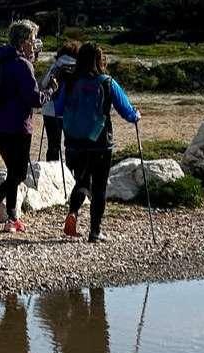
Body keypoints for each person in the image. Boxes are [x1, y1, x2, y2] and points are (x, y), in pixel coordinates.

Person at [55, 42, 141, 243]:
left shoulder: (69, 82)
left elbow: (58, 110)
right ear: (100, 60)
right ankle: (95, 232)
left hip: (74, 142)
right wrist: (136, 115)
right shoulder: (107, 82)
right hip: (100, 143)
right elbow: (126, 111)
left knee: (82, 180)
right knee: (99, 187)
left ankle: (73, 212)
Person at [0, 20, 42, 233]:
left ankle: (12, 219)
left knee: (12, 172)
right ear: (24, 42)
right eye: (33, 40)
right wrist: (51, 90)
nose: (34, 45)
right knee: (19, 174)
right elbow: (34, 99)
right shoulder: (23, 64)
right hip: (18, 125)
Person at [36, 41, 78, 163]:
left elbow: (43, 84)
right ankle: (71, 173)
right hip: (69, 110)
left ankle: (52, 170)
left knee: (53, 145)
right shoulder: (78, 66)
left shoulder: (56, 66)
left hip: (50, 111)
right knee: (71, 145)